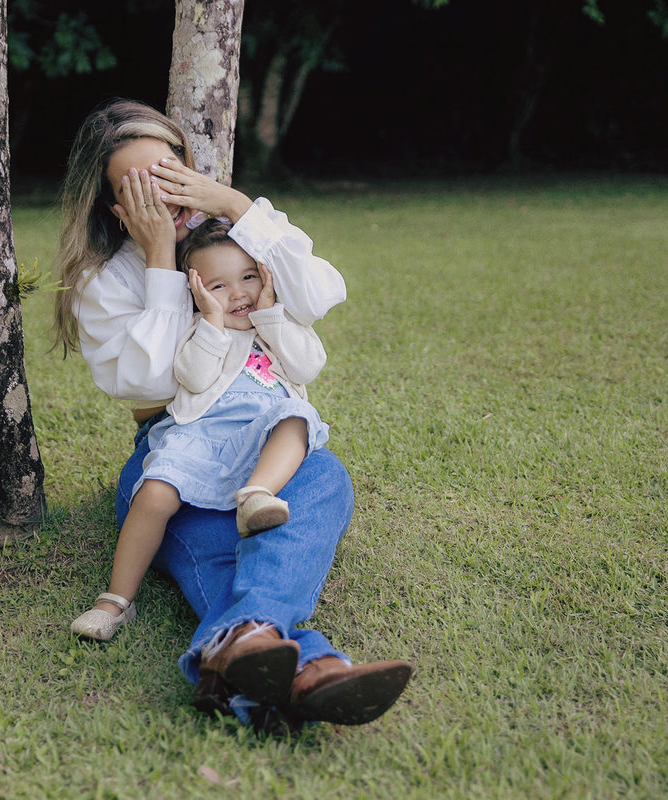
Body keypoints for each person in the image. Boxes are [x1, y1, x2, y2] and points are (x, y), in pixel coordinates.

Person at [52, 98, 411, 732]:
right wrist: (161, 260)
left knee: (323, 478)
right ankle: (307, 667)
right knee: (222, 553)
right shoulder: (105, 279)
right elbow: (146, 379)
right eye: (138, 186)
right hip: (175, 455)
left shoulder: (238, 238)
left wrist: (238, 205)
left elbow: (322, 293)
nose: (162, 195)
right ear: (114, 205)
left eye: (170, 170)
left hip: (264, 450)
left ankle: (244, 654)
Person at [70, 219, 332, 644]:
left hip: (261, 436)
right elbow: (191, 377)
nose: (238, 294)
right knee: (155, 492)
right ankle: (115, 600)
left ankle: (256, 495)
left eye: (248, 277)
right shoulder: (199, 330)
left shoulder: (278, 325)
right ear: (196, 292)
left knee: (295, 417)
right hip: (200, 436)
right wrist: (211, 322)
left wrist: (269, 314)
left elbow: (306, 366)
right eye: (218, 286)